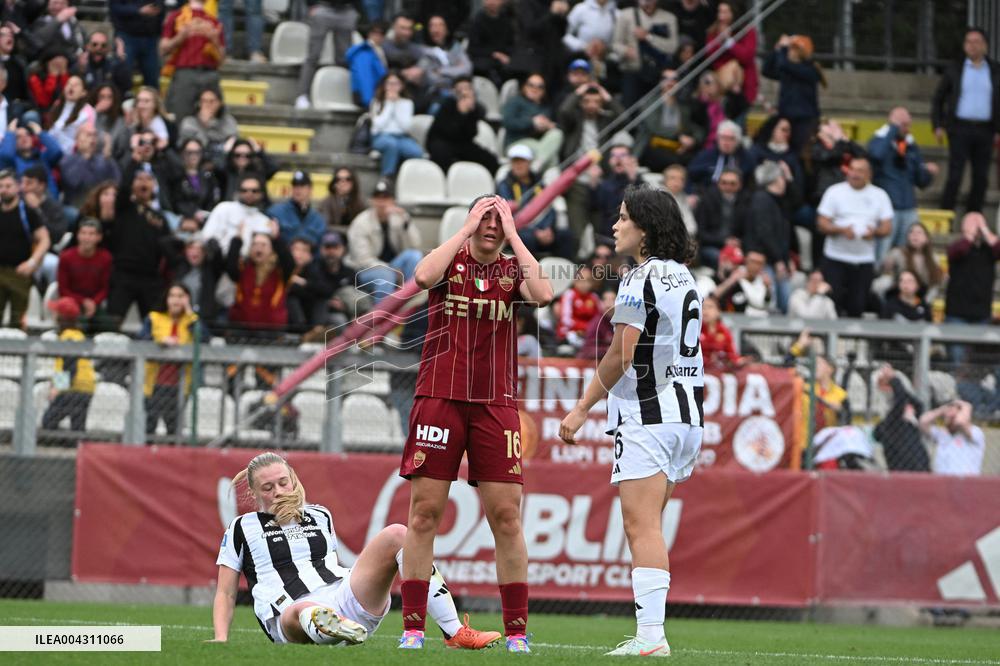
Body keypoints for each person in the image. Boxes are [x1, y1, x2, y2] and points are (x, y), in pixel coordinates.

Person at [399, 195, 552, 652]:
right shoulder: (450, 261)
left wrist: (515, 235)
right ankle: (412, 629)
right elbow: (422, 276)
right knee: (424, 514)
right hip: (439, 397)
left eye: (498, 220)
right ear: (469, 221)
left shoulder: (512, 269)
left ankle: (517, 634)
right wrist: (464, 230)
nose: (491, 226)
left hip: (495, 404)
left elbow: (544, 295)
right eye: (483, 218)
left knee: (506, 517)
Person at [559, 185, 701, 658]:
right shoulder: (684, 275)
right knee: (650, 524)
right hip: (686, 414)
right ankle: (650, 634)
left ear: (646, 228)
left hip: (649, 413)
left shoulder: (638, 278)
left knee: (641, 528)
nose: (615, 226)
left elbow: (623, 353)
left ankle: (651, 637)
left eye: (623, 218)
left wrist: (582, 407)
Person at [211, 452, 501, 649]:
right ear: (254, 493)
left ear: (293, 479)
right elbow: (226, 592)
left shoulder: (319, 515)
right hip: (288, 613)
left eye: (282, 482)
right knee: (301, 611)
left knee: (399, 534)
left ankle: (454, 632)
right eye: (267, 487)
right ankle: (327, 626)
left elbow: (328, 564)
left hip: (343, 596)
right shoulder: (241, 527)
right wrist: (221, 639)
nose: (277, 491)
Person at [932, 27, 1000, 213]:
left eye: (977, 42)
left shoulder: (995, 70)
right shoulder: (955, 69)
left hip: (986, 129)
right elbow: (939, 98)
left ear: (985, 45)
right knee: (955, 175)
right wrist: (937, 125)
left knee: (981, 177)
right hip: (959, 128)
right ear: (964, 45)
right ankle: (945, 215)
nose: (972, 46)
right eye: (969, 42)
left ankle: (973, 217)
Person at [816, 156, 893, 318]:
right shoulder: (834, 192)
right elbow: (821, 223)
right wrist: (839, 229)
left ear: (869, 174)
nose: (854, 174)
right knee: (831, 303)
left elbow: (887, 227)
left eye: (860, 170)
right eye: (852, 169)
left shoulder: (879, 195)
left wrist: (874, 232)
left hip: (863, 260)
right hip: (835, 258)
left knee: (857, 305)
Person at [867, 107, 938, 262]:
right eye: (903, 124)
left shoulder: (911, 146)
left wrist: (929, 173)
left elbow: (921, 182)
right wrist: (893, 129)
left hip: (909, 208)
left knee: (906, 256)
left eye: (908, 124)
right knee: (882, 254)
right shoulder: (879, 140)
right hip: (887, 210)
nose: (907, 129)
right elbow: (876, 155)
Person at [106, 164, 170, 325]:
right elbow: (123, 188)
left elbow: (167, 248)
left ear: (154, 186)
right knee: (113, 322)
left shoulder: (160, 218)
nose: (144, 183)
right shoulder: (124, 207)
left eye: (148, 179)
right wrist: (134, 161)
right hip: (123, 274)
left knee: (153, 324)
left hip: (150, 277)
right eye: (139, 179)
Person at [345, 178, 422, 303]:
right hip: (364, 270)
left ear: (393, 200)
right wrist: (390, 270)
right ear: (372, 200)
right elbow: (363, 260)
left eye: (386, 198)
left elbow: (414, 245)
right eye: (378, 198)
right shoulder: (361, 223)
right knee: (386, 276)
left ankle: (410, 305)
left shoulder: (399, 217)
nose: (382, 202)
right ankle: (382, 314)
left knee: (414, 256)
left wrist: (406, 222)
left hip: (392, 266)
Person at [140, 283, 201, 437]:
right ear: (166, 299)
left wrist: (190, 313)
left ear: (187, 299)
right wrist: (161, 342)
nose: (176, 300)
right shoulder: (154, 318)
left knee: (174, 430)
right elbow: (141, 340)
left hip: (179, 385)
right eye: (172, 296)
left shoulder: (191, 320)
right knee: (148, 427)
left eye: (180, 296)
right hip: (153, 383)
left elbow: (204, 339)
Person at [497, 144, 573, 259]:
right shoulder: (505, 185)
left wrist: (548, 228)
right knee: (525, 238)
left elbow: (549, 207)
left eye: (522, 161)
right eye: (515, 161)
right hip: (521, 230)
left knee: (566, 236)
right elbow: (509, 215)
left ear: (529, 163)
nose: (518, 165)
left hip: (544, 229)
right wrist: (535, 232)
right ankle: (530, 269)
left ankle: (563, 269)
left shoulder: (540, 183)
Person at [159, 0, 225, 119]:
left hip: (209, 74)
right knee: (180, 115)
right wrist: (181, 36)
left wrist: (214, 39)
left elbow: (222, 59)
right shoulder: (176, 17)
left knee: (214, 117)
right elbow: (163, 49)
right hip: (185, 73)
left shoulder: (213, 21)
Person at [0, 168, 49, 328]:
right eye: (1, 186)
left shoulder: (28, 213)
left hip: (19, 273)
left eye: (8, 186)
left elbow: (44, 240)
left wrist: (32, 262)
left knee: (18, 321)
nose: (4, 190)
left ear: (17, 187)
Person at [743, 160, 792, 313]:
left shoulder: (776, 200)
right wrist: (778, 260)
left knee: (783, 304)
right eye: (783, 178)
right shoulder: (762, 200)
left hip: (775, 259)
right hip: (764, 260)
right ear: (776, 179)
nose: (785, 182)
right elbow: (765, 233)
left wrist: (785, 259)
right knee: (772, 304)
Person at [226, 230, 295, 337]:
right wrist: (237, 240)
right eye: (255, 244)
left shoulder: (280, 271)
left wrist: (276, 239)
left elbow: (289, 262)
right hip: (242, 330)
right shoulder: (243, 268)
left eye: (263, 245)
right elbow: (230, 265)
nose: (258, 248)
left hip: (271, 332)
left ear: (272, 249)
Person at [635, 68, 706, 172]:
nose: (670, 82)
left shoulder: (683, 107)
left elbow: (692, 127)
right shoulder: (649, 103)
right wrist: (679, 136)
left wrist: (693, 140)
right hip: (652, 146)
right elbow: (655, 128)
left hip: (676, 149)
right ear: (660, 82)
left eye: (674, 79)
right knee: (676, 162)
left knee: (698, 161)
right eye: (666, 78)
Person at [761, 34, 823, 154]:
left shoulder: (810, 69)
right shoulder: (787, 69)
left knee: (801, 152)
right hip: (786, 117)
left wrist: (783, 49)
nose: (789, 51)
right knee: (764, 139)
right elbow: (766, 70)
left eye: (792, 49)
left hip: (804, 120)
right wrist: (777, 50)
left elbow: (784, 65)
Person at [41, 296, 95, 434]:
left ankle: (63, 445)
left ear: (61, 317)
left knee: (48, 422)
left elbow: (70, 365)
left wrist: (57, 388)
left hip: (73, 388)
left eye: (56, 312)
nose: (54, 315)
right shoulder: (79, 335)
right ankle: (76, 445)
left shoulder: (68, 336)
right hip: (87, 387)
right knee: (77, 429)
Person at [294, 0, 360, 109]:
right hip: (323, 7)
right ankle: (302, 95)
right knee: (313, 56)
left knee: (344, 59)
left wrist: (356, 9)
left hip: (347, 9)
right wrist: (311, 5)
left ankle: (342, 95)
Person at [611, 0, 678, 107]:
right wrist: (625, 51)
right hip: (633, 69)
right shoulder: (626, 15)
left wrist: (648, 37)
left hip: (658, 72)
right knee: (630, 108)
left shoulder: (669, 17)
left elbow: (672, 47)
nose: (647, 2)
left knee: (655, 108)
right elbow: (615, 44)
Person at [426, 76, 497, 174]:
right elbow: (447, 131)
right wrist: (461, 114)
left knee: (490, 160)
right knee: (442, 155)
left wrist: (469, 112)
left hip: (462, 143)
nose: (464, 92)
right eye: (460, 89)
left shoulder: (475, 108)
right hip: (442, 141)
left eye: (467, 88)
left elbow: (472, 133)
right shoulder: (447, 104)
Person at [944, 212, 1000, 333]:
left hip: (982, 313)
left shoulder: (989, 250)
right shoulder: (956, 245)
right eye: (972, 223)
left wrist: (986, 231)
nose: (976, 226)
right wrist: (969, 234)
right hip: (956, 313)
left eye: (979, 223)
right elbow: (958, 251)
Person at [500, 72, 564, 173]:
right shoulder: (516, 102)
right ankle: (537, 173)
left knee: (557, 133)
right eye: (531, 85)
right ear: (525, 87)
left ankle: (536, 167)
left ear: (544, 91)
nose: (535, 89)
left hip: (541, 142)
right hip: (517, 142)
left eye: (540, 87)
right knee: (551, 158)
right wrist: (532, 122)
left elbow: (556, 125)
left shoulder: (546, 107)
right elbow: (507, 122)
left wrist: (548, 126)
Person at [57, 218, 113, 329]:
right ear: (77, 235)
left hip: (96, 305)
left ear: (99, 237)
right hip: (73, 303)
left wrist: (93, 303)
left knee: (110, 326)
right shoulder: (66, 257)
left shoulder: (106, 258)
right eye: (83, 233)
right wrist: (83, 301)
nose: (87, 238)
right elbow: (63, 289)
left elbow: (106, 288)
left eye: (91, 234)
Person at [873, 364, 930, 472]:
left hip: (916, 465)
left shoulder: (902, 420)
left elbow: (917, 405)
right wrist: (893, 378)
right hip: (908, 467)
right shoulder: (889, 423)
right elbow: (901, 400)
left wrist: (896, 383)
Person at [369, 71, 424, 178]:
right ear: (384, 85)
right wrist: (389, 104)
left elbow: (405, 127)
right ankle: (387, 177)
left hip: (401, 137)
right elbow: (377, 126)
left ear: (402, 86)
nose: (392, 87)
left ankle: (408, 178)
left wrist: (396, 104)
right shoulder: (376, 102)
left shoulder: (407, 103)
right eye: (389, 83)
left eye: (396, 83)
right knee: (391, 145)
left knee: (417, 152)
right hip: (381, 136)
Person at [202, 175, 274, 256]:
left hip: (248, 262)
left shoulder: (264, 221)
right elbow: (207, 235)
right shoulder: (224, 208)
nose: (249, 193)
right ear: (238, 192)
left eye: (254, 191)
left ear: (261, 194)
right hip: (219, 258)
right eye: (244, 190)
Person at [415, 15, 472, 112]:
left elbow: (467, 69)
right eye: (432, 26)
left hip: (458, 91)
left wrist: (441, 70)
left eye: (440, 25)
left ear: (447, 29)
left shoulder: (456, 48)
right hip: (435, 95)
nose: (436, 29)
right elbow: (432, 78)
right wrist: (456, 69)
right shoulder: (422, 51)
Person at [705, 1, 757, 108]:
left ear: (733, 13)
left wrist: (729, 42)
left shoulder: (748, 31)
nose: (721, 16)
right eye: (720, 12)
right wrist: (720, 40)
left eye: (725, 12)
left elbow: (747, 56)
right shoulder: (713, 32)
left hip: (744, 86)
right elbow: (710, 56)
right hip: (721, 84)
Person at [878, 222, 945, 304]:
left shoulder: (934, 258)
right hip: (900, 291)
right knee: (884, 282)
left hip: (923, 293)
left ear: (927, 238)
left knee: (938, 282)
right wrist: (887, 267)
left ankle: (925, 306)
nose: (915, 235)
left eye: (919, 232)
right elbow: (883, 272)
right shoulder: (898, 253)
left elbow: (936, 281)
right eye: (911, 232)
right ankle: (884, 306)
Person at [695, 167, 748, 268]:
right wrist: (724, 241)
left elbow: (749, 230)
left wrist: (739, 241)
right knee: (722, 259)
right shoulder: (706, 200)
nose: (728, 186)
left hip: (737, 247)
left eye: (732, 183)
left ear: (740, 185)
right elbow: (701, 233)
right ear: (718, 183)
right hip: (711, 246)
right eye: (724, 183)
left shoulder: (745, 202)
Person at [60, 124, 121, 208]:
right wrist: (85, 157)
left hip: (99, 206)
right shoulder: (67, 160)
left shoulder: (104, 159)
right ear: (77, 139)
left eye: (94, 135)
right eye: (88, 135)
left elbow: (117, 182)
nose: (92, 138)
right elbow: (72, 182)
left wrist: (108, 158)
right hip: (76, 206)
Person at [919, 400, 985, 476]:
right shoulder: (941, 434)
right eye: (947, 415)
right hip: (942, 481)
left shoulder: (975, 432)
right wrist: (941, 410)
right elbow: (923, 422)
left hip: (966, 481)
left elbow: (960, 422)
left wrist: (966, 406)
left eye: (953, 416)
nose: (948, 416)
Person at [0, 119, 63, 198]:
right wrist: (10, 133)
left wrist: (40, 133)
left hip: (50, 202)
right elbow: (5, 155)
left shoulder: (43, 156)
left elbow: (57, 151)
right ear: (13, 142)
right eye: (18, 137)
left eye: (27, 134)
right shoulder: (11, 162)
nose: (24, 138)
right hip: (25, 204)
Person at [109, 0, 164, 89]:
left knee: (152, 78)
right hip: (126, 36)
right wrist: (138, 10)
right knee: (122, 74)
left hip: (150, 38)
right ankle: (119, 97)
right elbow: (115, 7)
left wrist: (156, 9)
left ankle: (150, 97)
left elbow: (161, 7)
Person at [177, 87, 239, 166]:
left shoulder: (228, 121)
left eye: (212, 101)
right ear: (198, 103)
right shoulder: (189, 122)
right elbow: (190, 146)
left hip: (222, 162)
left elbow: (233, 141)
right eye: (204, 101)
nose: (207, 105)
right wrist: (204, 126)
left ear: (220, 103)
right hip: (197, 162)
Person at [687, 119, 754, 190]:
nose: (726, 142)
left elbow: (750, 184)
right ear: (718, 138)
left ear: (737, 141)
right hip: (707, 193)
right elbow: (690, 176)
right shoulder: (705, 156)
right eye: (723, 137)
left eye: (731, 138)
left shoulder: (746, 158)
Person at [267, 170, 326, 248]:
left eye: (302, 186)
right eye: (295, 186)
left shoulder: (318, 219)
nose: (298, 189)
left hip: (309, 255)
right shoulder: (276, 212)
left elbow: (320, 247)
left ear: (310, 189)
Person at [170, 138, 221, 224]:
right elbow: (175, 201)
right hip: (183, 220)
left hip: (205, 219)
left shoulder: (208, 176)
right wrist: (193, 213)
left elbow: (211, 200)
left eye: (197, 152)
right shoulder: (175, 176)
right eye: (189, 152)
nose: (193, 155)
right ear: (182, 153)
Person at [467, 0, 514, 88]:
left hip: (503, 59)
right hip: (484, 60)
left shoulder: (506, 20)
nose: (492, 2)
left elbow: (511, 44)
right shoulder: (477, 20)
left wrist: (506, 56)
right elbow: (473, 48)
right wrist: (495, 54)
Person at [75, 28, 132, 98]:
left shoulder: (115, 65)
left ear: (108, 48)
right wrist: (81, 70)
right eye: (94, 44)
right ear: (87, 46)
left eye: (103, 45)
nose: (99, 48)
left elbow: (126, 86)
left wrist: (121, 60)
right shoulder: (81, 65)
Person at [555, 263, 601, 348]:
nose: (584, 284)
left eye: (588, 280)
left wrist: (589, 330)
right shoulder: (569, 295)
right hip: (569, 333)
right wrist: (585, 328)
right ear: (574, 281)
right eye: (581, 280)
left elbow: (598, 319)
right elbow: (566, 320)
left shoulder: (594, 297)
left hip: (589, 333)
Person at [713, 249, 771, 316]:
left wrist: (767, 289)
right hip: (734, 316)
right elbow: (713, 296)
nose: (756, 266)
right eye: (753, 262)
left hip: (760, 317)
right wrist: (732, 280)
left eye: (759, 263)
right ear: (746, 261)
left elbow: (764, 304)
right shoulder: (735, 274)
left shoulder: (763, 278)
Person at [345, 19, 387, 108]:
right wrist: (369, 101)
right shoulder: (364, 53)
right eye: (375, 32)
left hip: (376, 95)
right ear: (369, 33)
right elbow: (364, 77)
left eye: (381, 33)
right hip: (366, 96)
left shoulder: (379, 50)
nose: (378, 36)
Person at [699, 294, 743, 370]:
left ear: (718, 311)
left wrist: (739, 361)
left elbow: (732, 355)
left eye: (710, 307)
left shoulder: (724, 331)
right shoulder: (695, 330)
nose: (705, 311)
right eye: (703, 307)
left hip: (719, 370)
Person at [319, 167, 364, 232]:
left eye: (348, 179)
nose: (343, 182)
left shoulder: (361, 202)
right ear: (334, 183)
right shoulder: (326, 203)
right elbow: (325, 226)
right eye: (338, 179)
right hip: (334, 235)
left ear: (353, 182)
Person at [662, 165, 696, 236]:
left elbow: (692, 227)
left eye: (681, 179)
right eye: (673, 178)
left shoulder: (684, 198)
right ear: (665, 180)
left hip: (682, 237)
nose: (677, 182)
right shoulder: (656, 198)